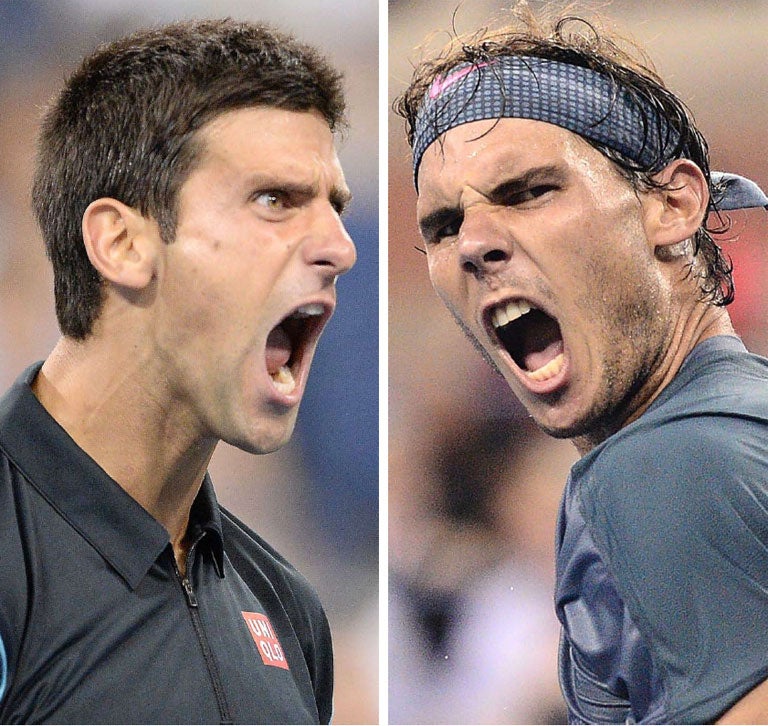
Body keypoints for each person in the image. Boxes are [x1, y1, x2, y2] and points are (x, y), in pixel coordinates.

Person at [395, 5, 768, 724]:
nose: (474, 244)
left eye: (529, 191)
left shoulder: (669, 465)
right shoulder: (727, 427)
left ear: (672, 204)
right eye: (444, 226)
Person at [0, 17, 356, 725]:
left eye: (334, 207)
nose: (340, 247)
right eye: (274, 200)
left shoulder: (288, 608)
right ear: (123, 243)